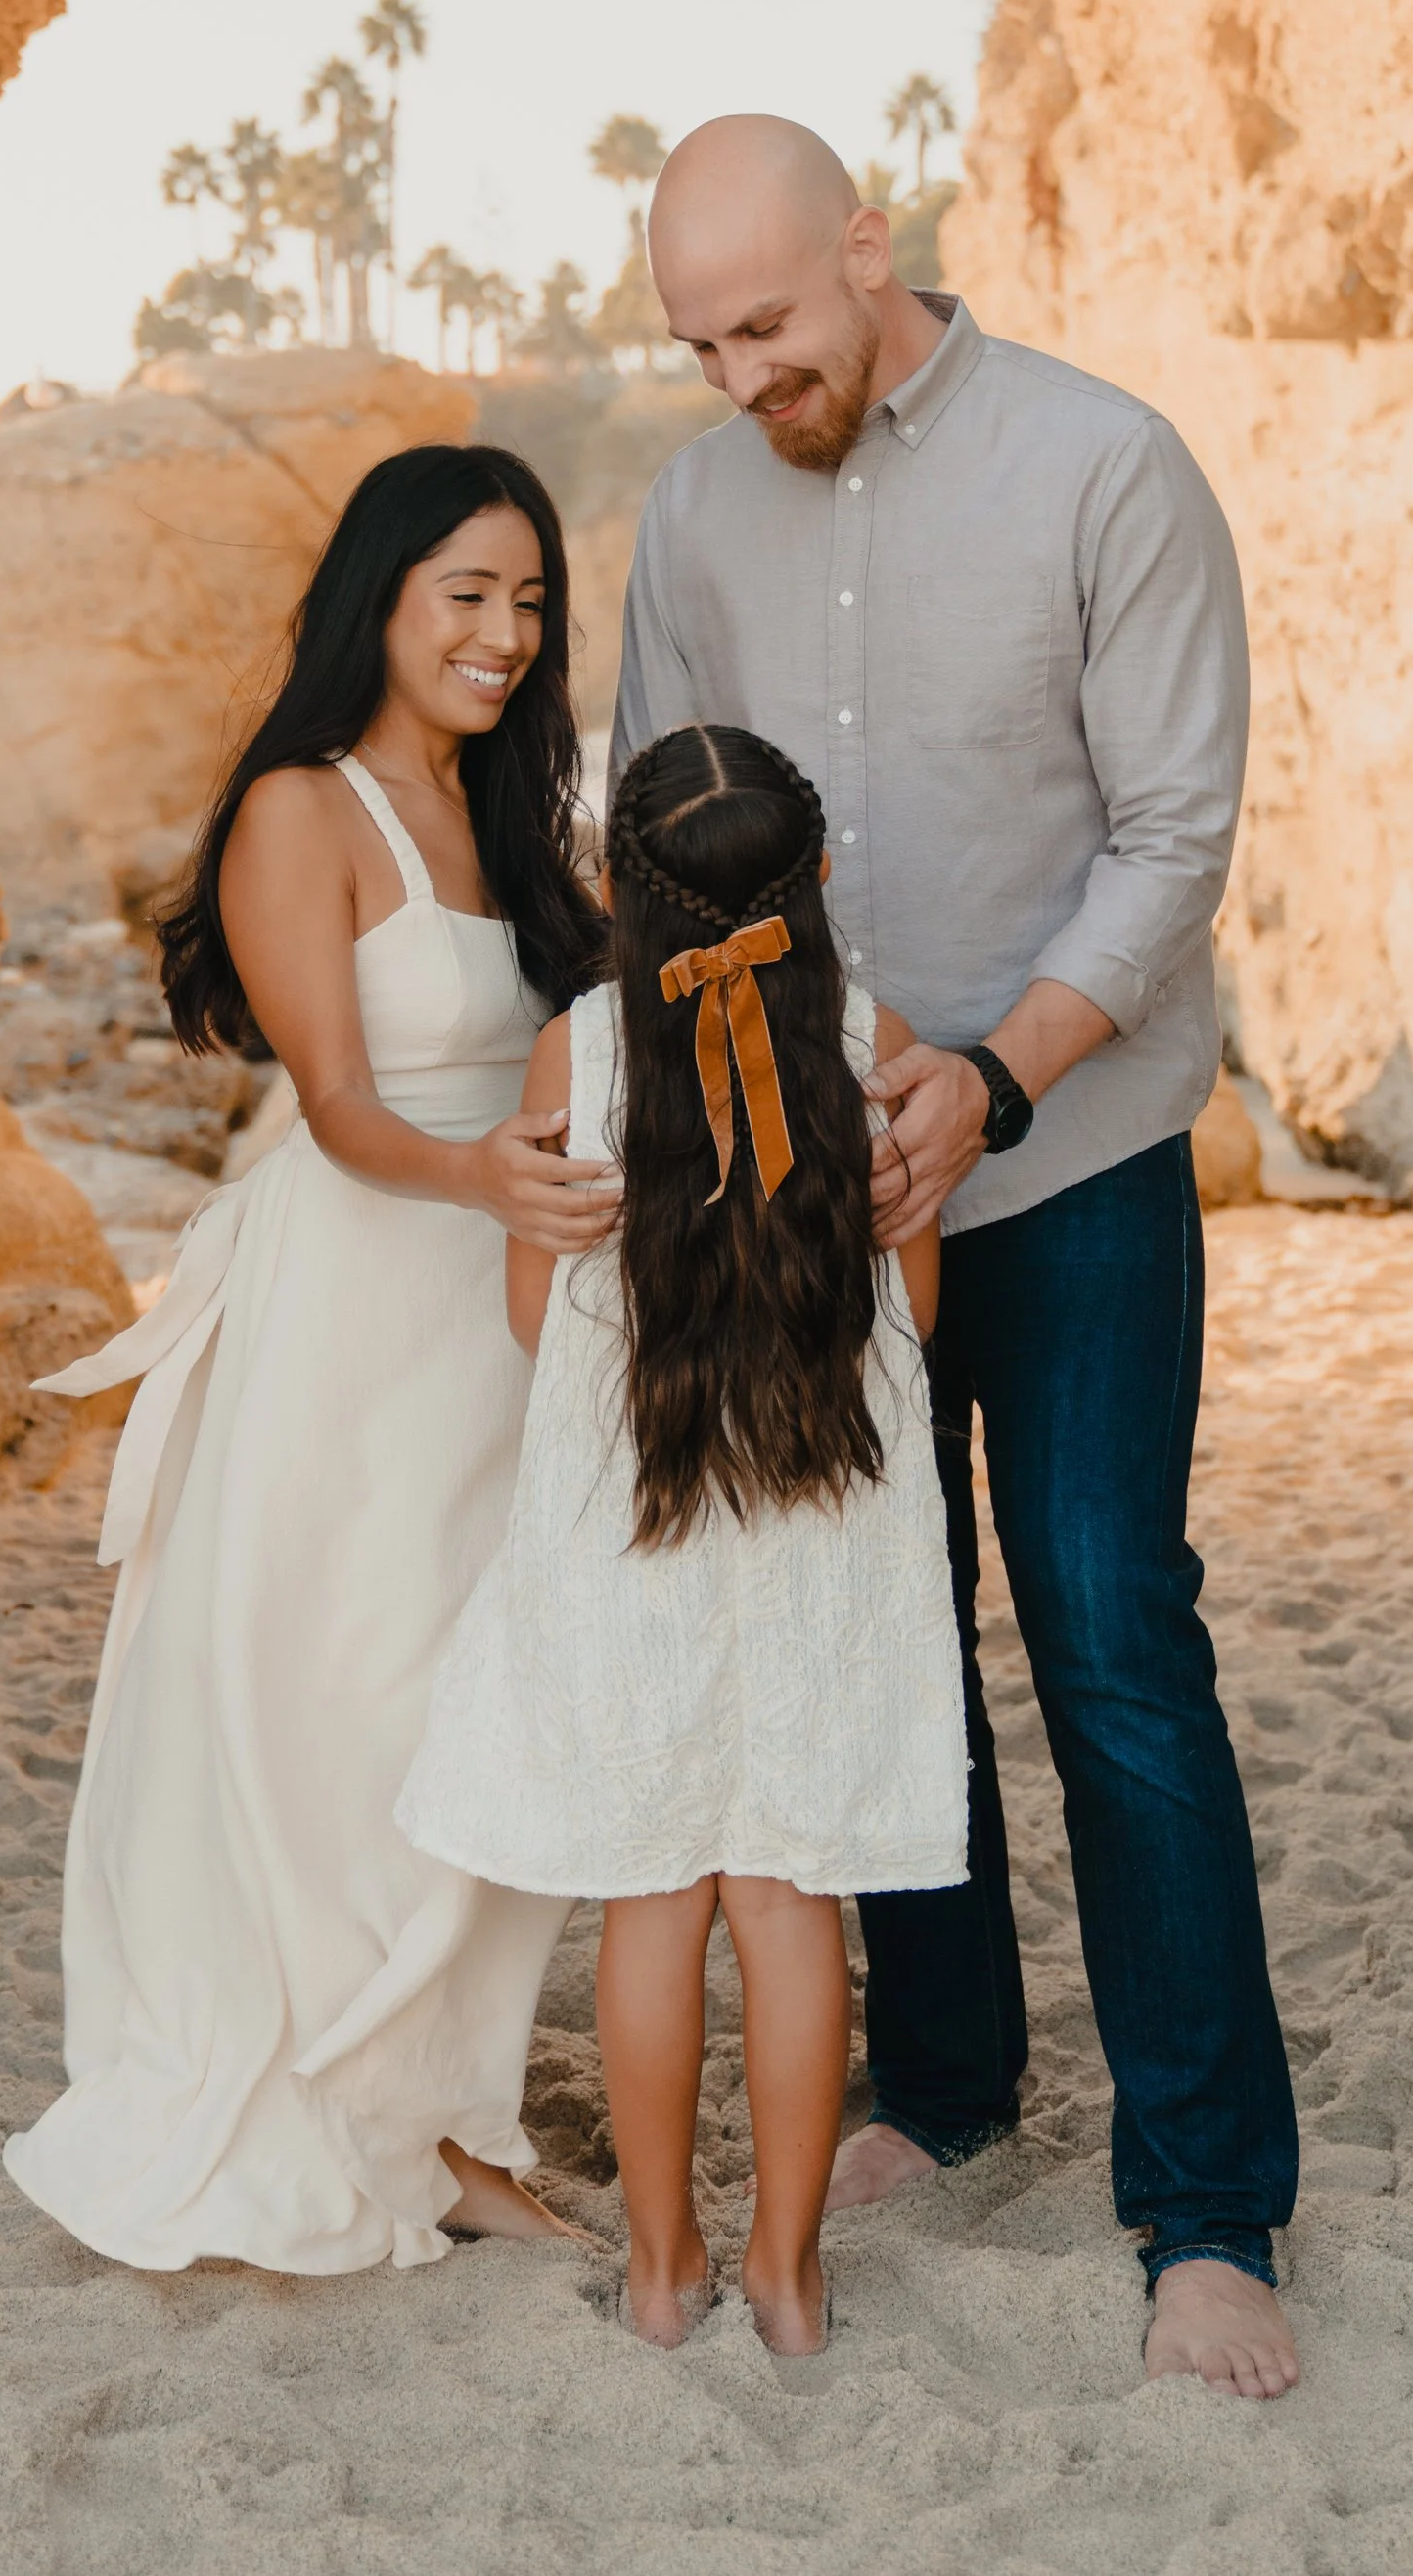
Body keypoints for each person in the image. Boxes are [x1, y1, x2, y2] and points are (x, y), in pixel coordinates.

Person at [609, 115, 1301, 2401]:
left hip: (1072, 1146)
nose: (739, 377)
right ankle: (947, 2080)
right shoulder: (695, 509)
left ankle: (1204, 2211)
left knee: (1108, 1633)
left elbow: (1174, 829)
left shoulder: (1102, 466)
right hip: (810, 1196)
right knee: (879, 1634)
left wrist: (989, 1075)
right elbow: (656, 810)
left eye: (769, 326)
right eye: (699, 340)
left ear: (869, 250)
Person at [3, 444, 617, 2276]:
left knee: (488, 1707)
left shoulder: (511, 810)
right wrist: (478, 1172)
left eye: (530, 601)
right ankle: (357, 2107)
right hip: (358, 1300)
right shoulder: (302, 808)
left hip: (505, 1315)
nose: (504, 636)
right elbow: (340, 1104)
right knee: (345, 1706)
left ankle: (440, 2113)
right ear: (383, 597)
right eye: (468, 596)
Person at [400, 724, 967, 2353]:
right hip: (821, 1526)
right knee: (792, 1905)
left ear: (609, 889)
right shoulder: (875, 1043)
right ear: (820, 885)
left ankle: (663, 2269)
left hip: (637, 1524)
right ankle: (789, 2276)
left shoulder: (574, 1058)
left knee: (651, 1902)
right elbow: (912, 1317)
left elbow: (534, 1321)